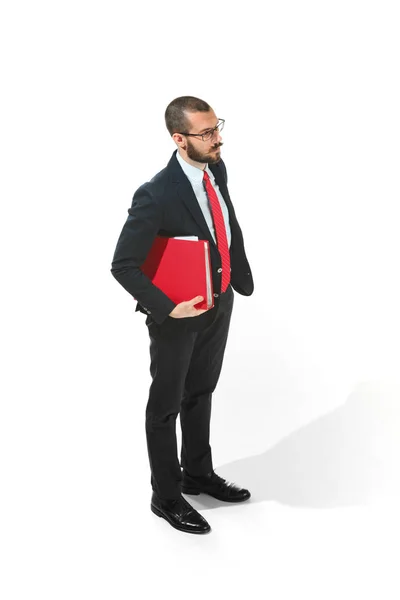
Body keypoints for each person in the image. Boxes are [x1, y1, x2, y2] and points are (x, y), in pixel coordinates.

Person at [111, 96, 254, 534]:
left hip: (218, 299)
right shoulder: (155, 193)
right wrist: (167, 307)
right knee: (166, 406)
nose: (218, 139)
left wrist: (233, 278)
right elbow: (123, 265)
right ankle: (167, 496)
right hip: (176, 314)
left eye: (217, 128)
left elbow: (223, 223)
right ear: (179, 138)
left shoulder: (217, 169)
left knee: (201, 392)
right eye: (207, 133)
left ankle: (197, 474)